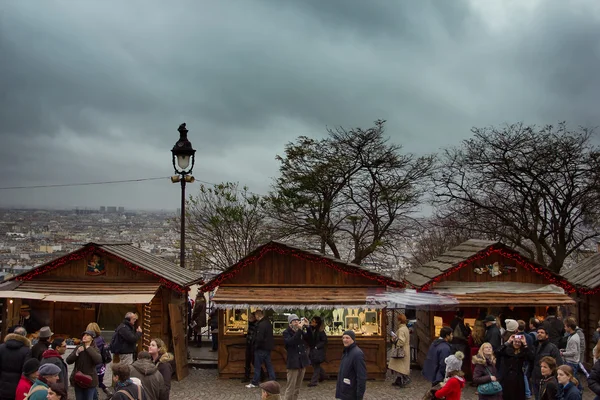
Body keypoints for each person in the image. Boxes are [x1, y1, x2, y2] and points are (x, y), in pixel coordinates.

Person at [66, 330, 102, 400]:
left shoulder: (95, 349)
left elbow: (98, 360)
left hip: (90, 380)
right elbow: (68, 361)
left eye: (87, 335)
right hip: (78, 379)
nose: (85, 336)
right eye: (84, 335)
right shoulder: (78, 347)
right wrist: (77, 353)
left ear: (92, 338)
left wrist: (88, 348)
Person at [496, 334, 532, 400]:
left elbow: (531, 357)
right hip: (507, 377)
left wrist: (525, 344)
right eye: (515, 342)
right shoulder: (507, 350)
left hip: (518, 378)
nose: (517, 343)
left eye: (519, 342)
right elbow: (498, 352)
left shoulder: (523, 351)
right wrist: (508, 341)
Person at [282, 314, 310, 400]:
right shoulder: (286, 332)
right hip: (293, 363)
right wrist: (299, 330)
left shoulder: (300, 331)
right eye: (294, 321)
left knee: (297, 387)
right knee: (291, 387)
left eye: (297, 320)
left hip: (302, 362)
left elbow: (310, 339)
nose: (297, 322)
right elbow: (291, 342)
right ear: (290, 323)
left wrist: (308, 327)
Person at [530, 326, 562, 399]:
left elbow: (558, 363)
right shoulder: (534, 346)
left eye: (542, 332)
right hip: (536, 378)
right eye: (538, 332)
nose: (539, 334)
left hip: (547, 379)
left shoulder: (552, 347)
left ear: (547, 335)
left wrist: (555, 377)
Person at [0, 326, 32, 400]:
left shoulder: (1, 347)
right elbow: (26, 370)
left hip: (1, 385)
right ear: (24, 336)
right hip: (17, 385)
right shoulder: (26, 351)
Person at [246, 309, 276, 389]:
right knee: (268, 365)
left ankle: (255, 382)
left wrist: (255, 346)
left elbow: (259, 338)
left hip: (261, 348)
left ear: (258, 315)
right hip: (267, 348)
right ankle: (272, 380)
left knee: (257, 366)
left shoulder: (261, 324)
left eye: (255, 315)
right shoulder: (267, 322)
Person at [335, 331, 366, 400]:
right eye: (343, 338)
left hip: (351, 392)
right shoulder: (346, 351)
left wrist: (359, 396)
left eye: (347, 338)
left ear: (353, 339)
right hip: (345, 390)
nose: (345, 340)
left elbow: (361, 376)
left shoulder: (357, 354)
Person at [87, 322, 111, 399]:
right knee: (99, 382)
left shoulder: (92, 342)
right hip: (101, 365)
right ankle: (106, 391)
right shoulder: (101, 339)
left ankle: (96, 396)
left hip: (93, 365)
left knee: (92, 383)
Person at [389, 313, 411, 388]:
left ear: (399, 321)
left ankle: (405, 379)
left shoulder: (401, 330)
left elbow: (401, 341)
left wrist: (395, 341)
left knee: (399, 366)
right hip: (404, 350)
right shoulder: (405, 328)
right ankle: (398, 380)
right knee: (398, 366)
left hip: (401, 351)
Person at [561, 317, 582, 391]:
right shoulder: (572, 336)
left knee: (571, 380)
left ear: (569, 327)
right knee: (574, 378)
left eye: (565, 326)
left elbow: (573, 352)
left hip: (571, 362)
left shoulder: (573, 338)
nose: (564, 328)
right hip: (572, 361)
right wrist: (564, 350)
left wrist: (563, 353)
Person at [306, 316, 328, 387]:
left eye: (313, 321)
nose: (311, 322)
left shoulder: (320, 331)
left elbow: (324, 340)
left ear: (316, 323)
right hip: (313, 350)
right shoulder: (312, 330)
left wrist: (316, 347)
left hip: (317, 351)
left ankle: (314, 381)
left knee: (316, 366)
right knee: (315, 364)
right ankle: (323, 375)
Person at [242, 312, 261, 383]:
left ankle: (260, 375)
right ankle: (247, 376)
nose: (249, 318)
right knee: (247, 361)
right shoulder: (251, 324)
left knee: (253, 361)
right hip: (249, 344)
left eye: (250, 317)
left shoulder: (256, 325)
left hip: (253, 345)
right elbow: (249, 334)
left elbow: (254, 335)